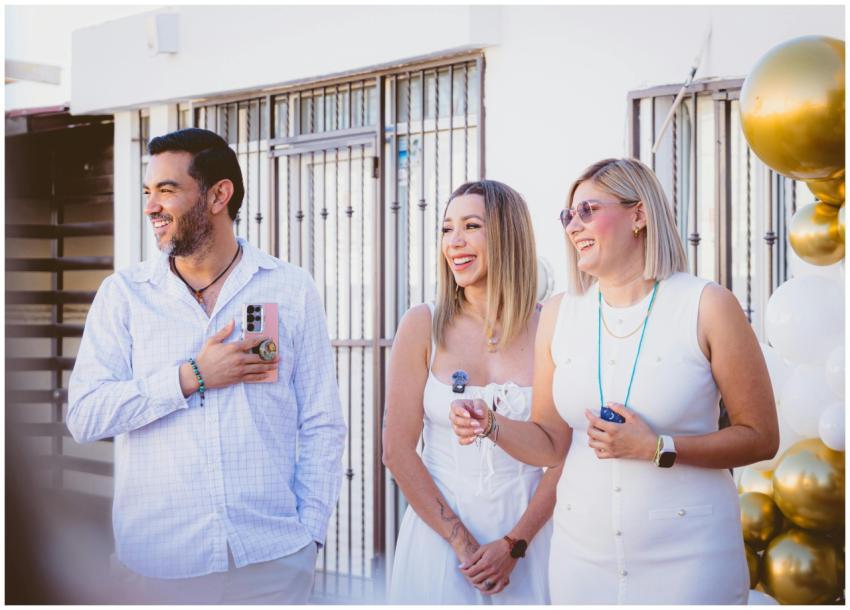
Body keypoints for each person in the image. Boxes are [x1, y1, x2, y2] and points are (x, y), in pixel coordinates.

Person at [450, 158, 779, 604]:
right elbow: (550, 443)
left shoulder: (707, 305)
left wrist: (657, 448)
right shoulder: (559, 315)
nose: (573, 226)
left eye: (587, 210)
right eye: (568, 215)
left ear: (639, 215)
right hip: (581, 562)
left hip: (690, 560)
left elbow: (760, 437)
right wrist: (490, 424)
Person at [67, 128, 346, 604]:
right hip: (160, 567)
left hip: (271, 562)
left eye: (167, 190)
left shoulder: (291, 288)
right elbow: (85, 416)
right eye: (148, 192)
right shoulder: (125, 296)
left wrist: (309, 538)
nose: (151, 206)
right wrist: (190, 377)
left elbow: (322, 422)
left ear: (219, 195)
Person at [383, 180, 559, 604]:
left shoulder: (550, 327)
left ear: (507, 235)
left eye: (471, 226)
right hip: (440, 544)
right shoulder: (421, 324)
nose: (454, 242)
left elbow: (561, 453)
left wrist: (515, 545)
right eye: (447, 229)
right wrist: (461, 542)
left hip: (532, 541)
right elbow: (397, 450)